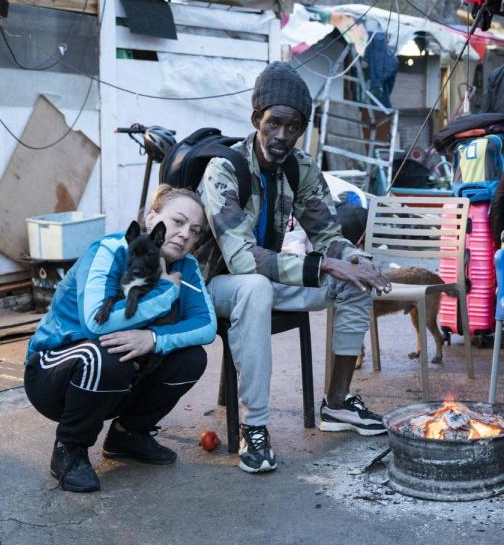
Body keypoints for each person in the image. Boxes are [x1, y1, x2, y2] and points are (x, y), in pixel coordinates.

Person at [199, 62, 391, 474]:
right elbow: (242, 258)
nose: (283, 136)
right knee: (255, 287)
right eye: (275, 124)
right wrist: (325, 265)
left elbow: (327, 234)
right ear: (257, 119)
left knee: (355, 277)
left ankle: (337, 404)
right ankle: (256, 427)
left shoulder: (299, 167)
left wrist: (351, 258)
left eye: (294, 127)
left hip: (265, 279)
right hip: (213, 287)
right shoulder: (223, 169)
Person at [26, 185, 216, 493]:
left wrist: (153, 338)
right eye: (178, 222)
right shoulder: (111, 249)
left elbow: (205, 326)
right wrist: (166, 292)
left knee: (191, 358)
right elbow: (94, 325)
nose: (185, 235)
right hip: (53, 372)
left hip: (120, 375)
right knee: (106, 353)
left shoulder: (187, 267)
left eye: (195, 231)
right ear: (152, 217)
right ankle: (69, 449)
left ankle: (128, 434)